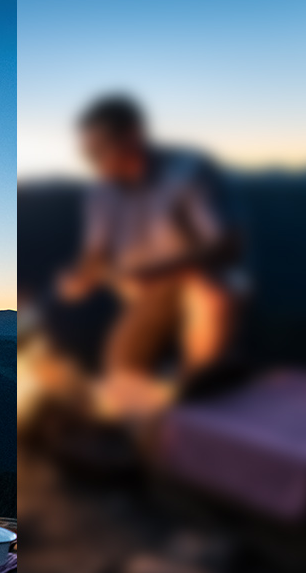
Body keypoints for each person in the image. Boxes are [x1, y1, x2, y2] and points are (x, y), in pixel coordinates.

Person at [56, 94, 246, 418]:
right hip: (149, 295)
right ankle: (147, 436)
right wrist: (81, 275)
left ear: (133, 135)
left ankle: (202, 409)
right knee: (122, 365)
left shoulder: (187, 172)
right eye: (88, 153)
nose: (94, 161)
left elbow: (228, 243)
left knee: (204, 360)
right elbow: (96, 252)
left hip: (203, 283)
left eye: (100, 150)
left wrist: (157, 271)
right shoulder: (101, 194)